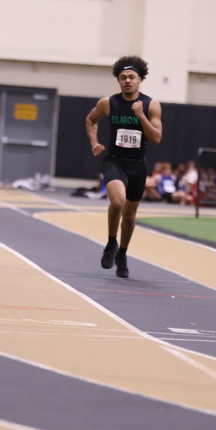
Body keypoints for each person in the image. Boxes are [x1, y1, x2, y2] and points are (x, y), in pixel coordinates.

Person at [85, 55, 163, 278]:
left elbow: (156, 138)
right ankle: (111, 242)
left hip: (137, 166)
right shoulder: (108, 103)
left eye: (132, 77)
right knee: (118, 202)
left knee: (129, 216)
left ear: (140, 79)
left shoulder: (151, 105)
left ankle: (122, 253)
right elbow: (91, 120)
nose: (127, 81)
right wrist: (94, 142)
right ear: (118, 80)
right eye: (123, 77)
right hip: (114, 161)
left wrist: (141, 116)